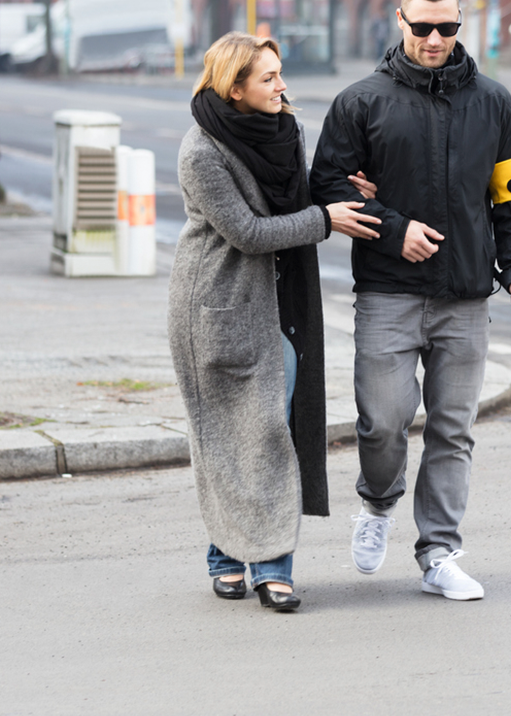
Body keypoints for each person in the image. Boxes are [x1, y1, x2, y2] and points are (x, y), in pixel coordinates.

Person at [309, 0, 511, 601]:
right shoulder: (362, 102)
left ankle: (439, 551)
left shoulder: (494, 103)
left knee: (452, 428)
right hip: (388, 291)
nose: (436, 39)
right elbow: (326, 188)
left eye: (448, 28)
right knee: (383, 423)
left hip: (467, 295)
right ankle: (378, 500)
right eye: (423, 28)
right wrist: (392, 230)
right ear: (401, 22)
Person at [168, 32, 381, 612]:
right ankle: (250, 562)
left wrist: (338, 195)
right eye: (268, 78)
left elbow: (291, 201)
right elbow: (250, 232)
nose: (282, 86)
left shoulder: (288, 131)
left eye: (280, 74)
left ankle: (250, 559)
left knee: (269, 431)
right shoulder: (201, 151)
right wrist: (323, 219)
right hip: (220, 307)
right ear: (234, 87)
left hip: (285, 304)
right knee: (235, 434)